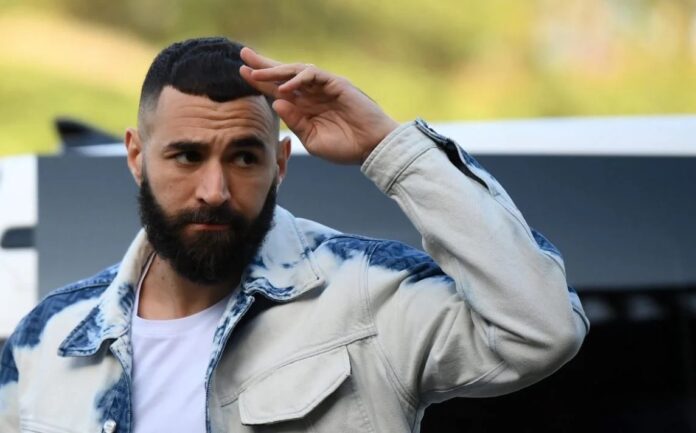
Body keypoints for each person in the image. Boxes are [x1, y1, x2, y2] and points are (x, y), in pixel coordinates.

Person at [0, 37, 589, 433]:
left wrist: (390, 146)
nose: (214, 190)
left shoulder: (365, 295)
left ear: (281, 163)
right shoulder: (46, 341)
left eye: (244, 157)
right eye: (187, 156)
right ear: (136, 156)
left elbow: (540, 332)